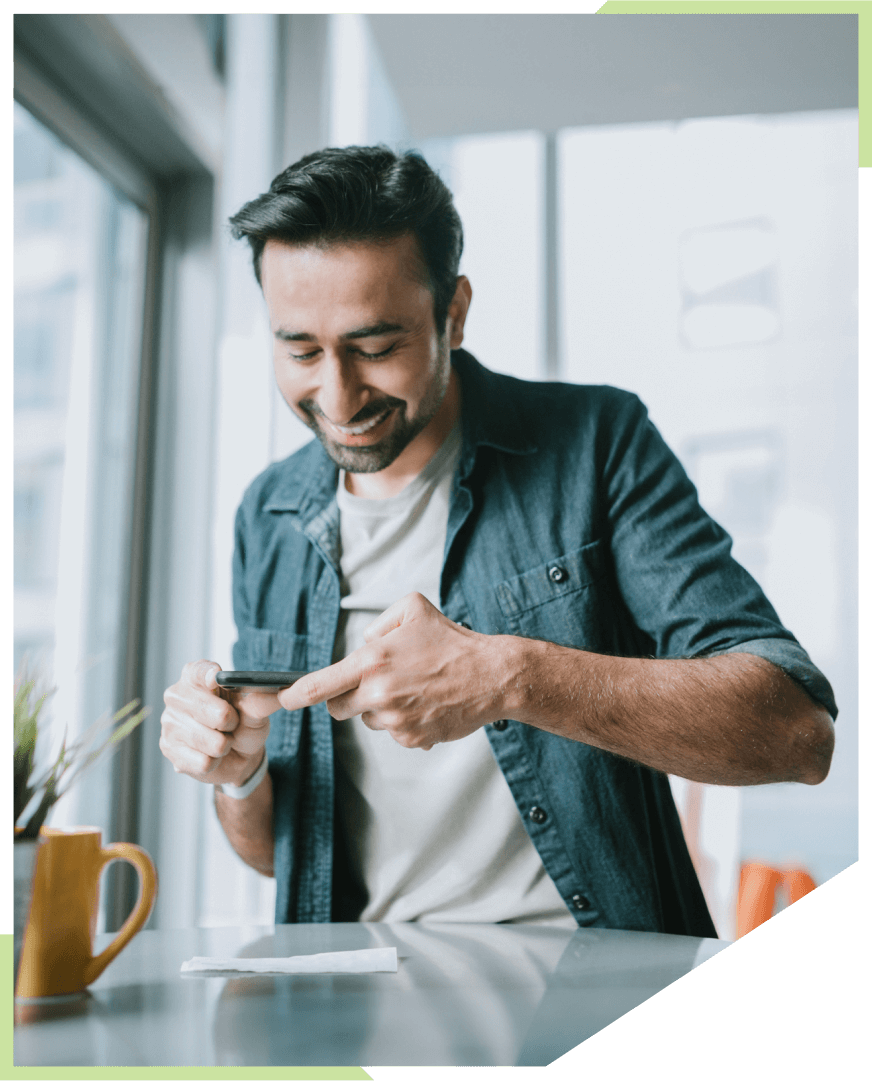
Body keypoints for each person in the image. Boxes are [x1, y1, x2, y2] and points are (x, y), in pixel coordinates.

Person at [160, 145, 837, 935]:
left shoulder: (597, 443)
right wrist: (235, 774)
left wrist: (508, 676)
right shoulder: (266, 512)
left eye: (376, 347)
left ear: (453, 312)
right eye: (301, 350)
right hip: (359, 999)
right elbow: (284, 856)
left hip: (590, 984)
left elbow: (796, 730)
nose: (337, 395)